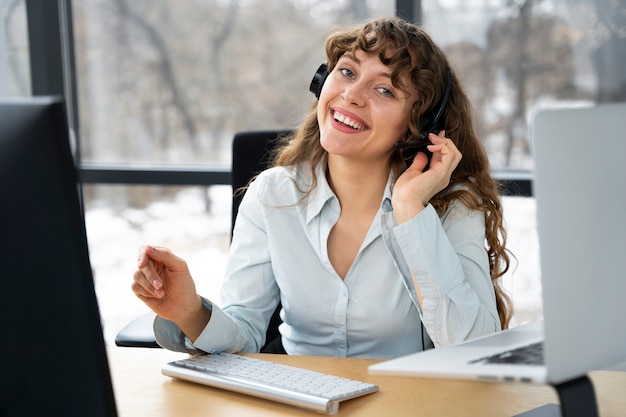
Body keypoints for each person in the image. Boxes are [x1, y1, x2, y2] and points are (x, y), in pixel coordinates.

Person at [132, 16, 512, 359]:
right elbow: (244, 336)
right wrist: (187, 312)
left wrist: (411, 208)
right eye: (347, 72)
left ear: (419, 125)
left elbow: (474, 351)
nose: (352, 94)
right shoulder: (272, 196)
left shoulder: (453, 206)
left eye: (384, 91)